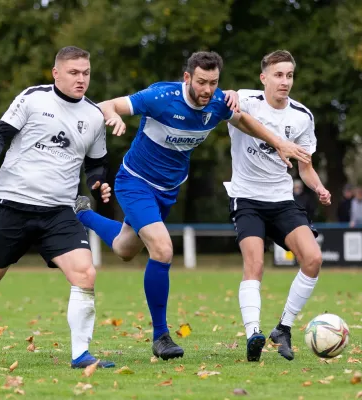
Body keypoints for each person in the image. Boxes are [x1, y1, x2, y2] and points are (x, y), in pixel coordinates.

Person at [75, 51, 311, 360]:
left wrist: (279, 143)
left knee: (124, 248)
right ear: (187, 78)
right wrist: (113, 115)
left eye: (213, 83)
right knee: (162, 249)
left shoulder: (216, 105)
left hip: (167, 191)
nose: (207, 90)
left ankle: (81, 213)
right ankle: (161, 336)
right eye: (201, 82)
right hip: (135, 183)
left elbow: (245, 121)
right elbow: (108, 105)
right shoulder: (161, 97)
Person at [0, 46, 115, 369]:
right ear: (56, 73)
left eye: (86, 73)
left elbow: (97, 163)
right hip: (14, 205)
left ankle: (80, 354)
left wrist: (98, 183)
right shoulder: (33, 98)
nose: (81, 80)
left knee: (85, 274)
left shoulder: (93, 115)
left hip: (59, 212)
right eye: (74, 73)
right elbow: (0, 134)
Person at [223, 50, 331, 362]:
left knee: (313, 259)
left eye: (289, 75)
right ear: (264, 78)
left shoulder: (301, 116)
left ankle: (283, 328)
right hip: (246, 198)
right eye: (279, 75)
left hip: (282, 200)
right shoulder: (245, 100)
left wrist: (319, 187)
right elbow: (228, 102)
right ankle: (253, 333)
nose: (285, 82)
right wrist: (228, 93)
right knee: (254, 264)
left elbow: (304, 166)